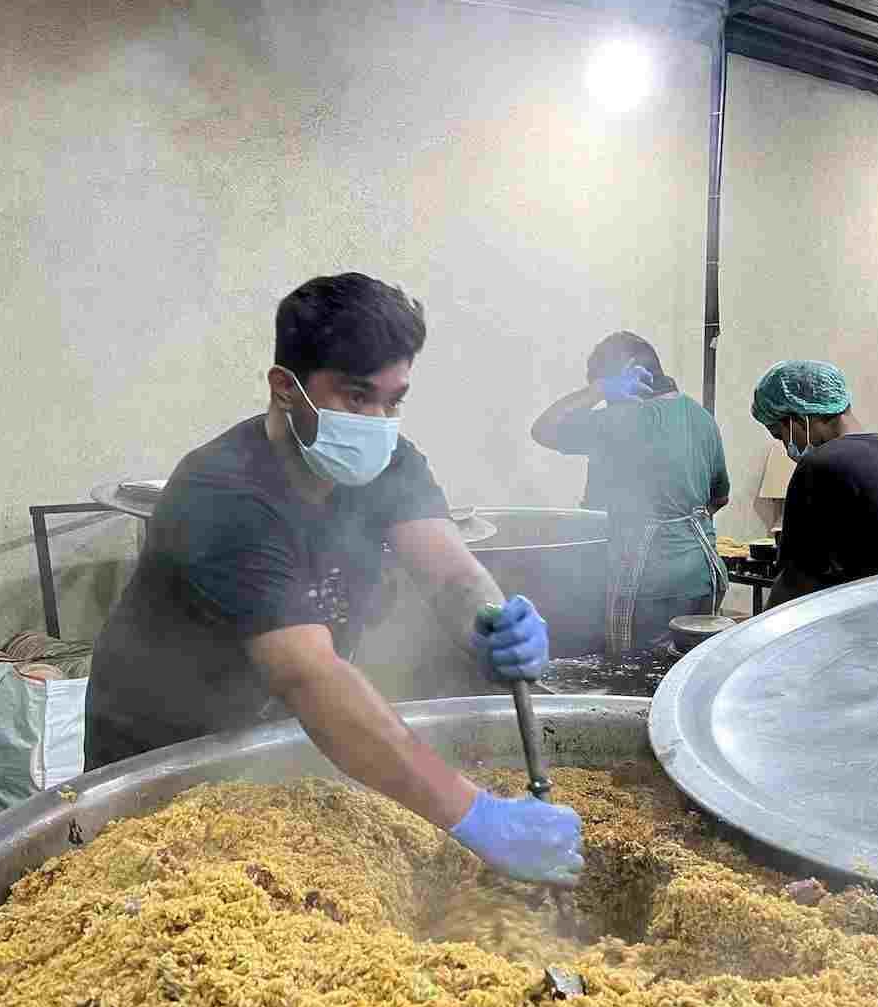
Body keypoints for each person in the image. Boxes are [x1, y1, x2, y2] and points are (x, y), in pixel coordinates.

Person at [85, 274, 581, 886]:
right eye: (356, 397)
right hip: (162, 753)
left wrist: (488, 620)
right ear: (284, 387)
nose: (377, 421)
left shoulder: (391, 463)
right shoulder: (223, 494)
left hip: (277, 735)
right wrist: (474, 815)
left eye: (393, 401)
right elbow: (310, 675)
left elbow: (452, 571)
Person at [531, 332, 729, 654]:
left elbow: (543, 429)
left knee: (637, 672)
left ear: (629, 372)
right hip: (703, 573)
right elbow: (719, 498)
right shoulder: (702, 417)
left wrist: (596, 391)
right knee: (688, 664)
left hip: (644, 582)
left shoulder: (617, 421)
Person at [750, 359, 878, 608]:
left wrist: (758, 628)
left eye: (779, 435)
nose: (786, 447)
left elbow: (795, 582)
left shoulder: (820, 465)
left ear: (797, 419)